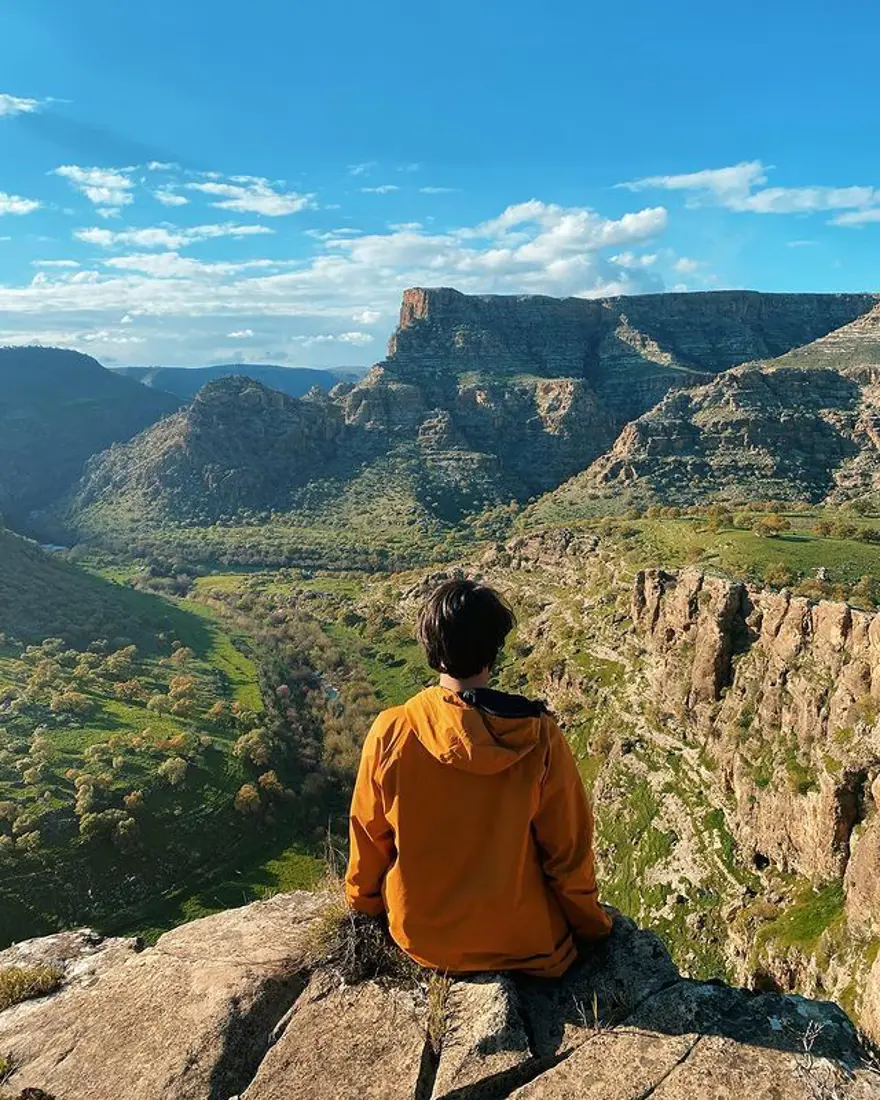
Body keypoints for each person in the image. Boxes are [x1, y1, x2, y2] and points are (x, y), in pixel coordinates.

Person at [344, 577, 612, 977]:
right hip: (525, 944)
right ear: (494, 650)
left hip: (423, 941)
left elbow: (369, 838)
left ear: (430, 649)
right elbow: (567, 851)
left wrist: (363, 906)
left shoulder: (392, 731)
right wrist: (591, 925)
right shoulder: (539, 738)